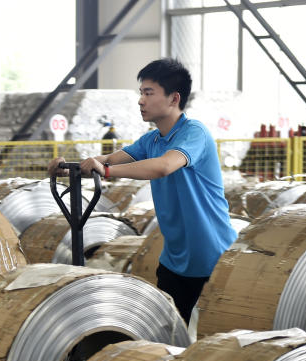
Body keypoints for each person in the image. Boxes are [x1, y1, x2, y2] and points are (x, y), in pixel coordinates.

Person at [48, 58, 237, 323]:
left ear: (174, 98)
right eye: (141, 93)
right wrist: (69, 169)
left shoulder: (195, 133)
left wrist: (108, 172)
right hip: (174, 261)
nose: (141, 100)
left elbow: (164, 166)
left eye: (148, 93)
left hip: (212, 259)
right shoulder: (151, 140)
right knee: (167, 336)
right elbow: (108, 160)